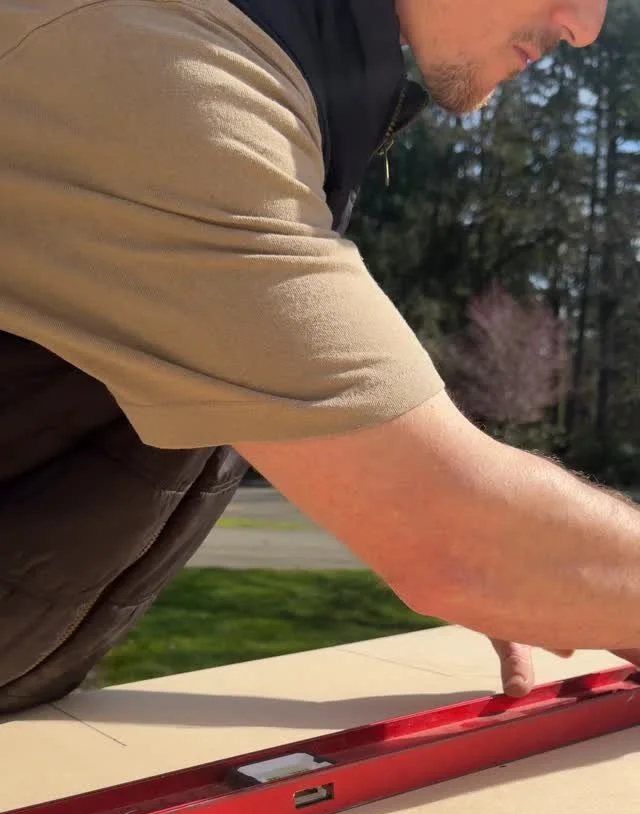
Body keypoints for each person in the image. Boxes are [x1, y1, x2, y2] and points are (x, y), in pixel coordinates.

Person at [0, 0, 636, 714]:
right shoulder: (168, 66)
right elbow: (455, 538)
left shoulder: (280, 70)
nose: (585, 26)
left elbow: (441, 517)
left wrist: (525, 556)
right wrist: (493, 543)